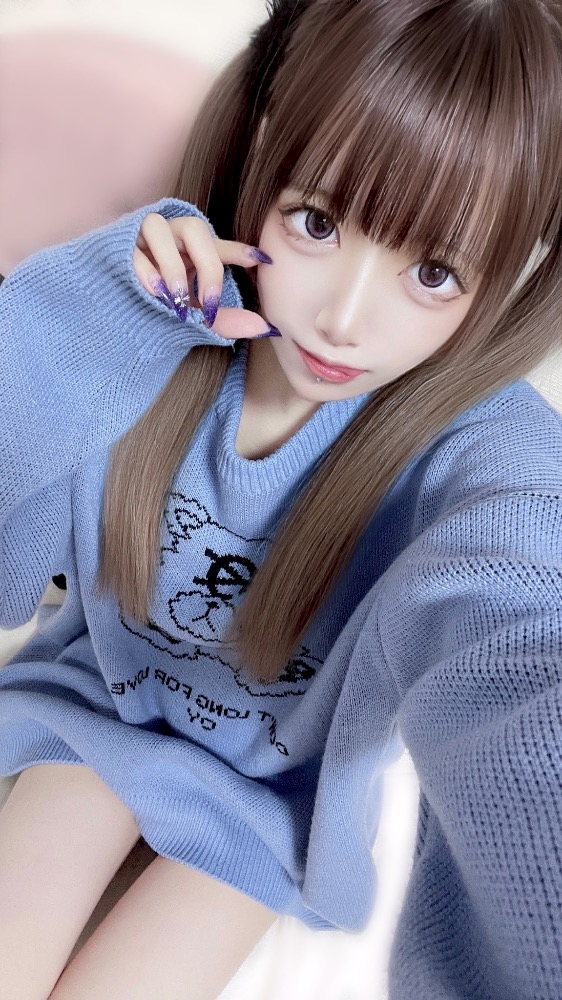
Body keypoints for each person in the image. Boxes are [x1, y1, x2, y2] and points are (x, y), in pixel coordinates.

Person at [0, 0, 561, 997]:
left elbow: (523, 627)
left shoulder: (479, 451)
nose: (344, 318)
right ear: (262, 148)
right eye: (318, 222)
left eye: (433, 272)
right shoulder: (153, 321)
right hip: (89, 712)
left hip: (265, 804)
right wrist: (88, 314)